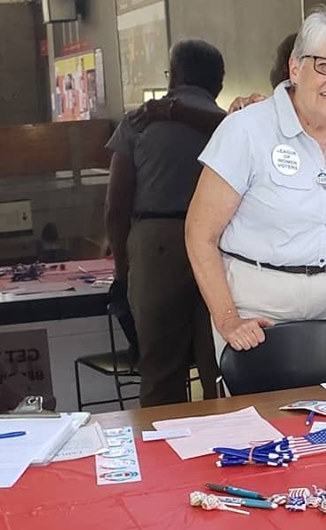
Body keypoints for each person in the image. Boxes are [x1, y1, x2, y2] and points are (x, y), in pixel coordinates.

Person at [185, 9, 326, 369]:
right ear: (295, 68)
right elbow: (199, 233)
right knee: (264, 420)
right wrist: (228, 318)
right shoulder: (245, 131)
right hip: (258, 311)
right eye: (325, 65)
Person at [104, 38, 225, 407]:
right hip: (222, 243)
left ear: (174, 75)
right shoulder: (233, 126)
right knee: (219, 363)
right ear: (218, 82)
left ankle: (163, 453)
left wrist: (123, 271)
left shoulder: (139, 122)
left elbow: (115, 204)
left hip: (157, 242)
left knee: (160, 368)